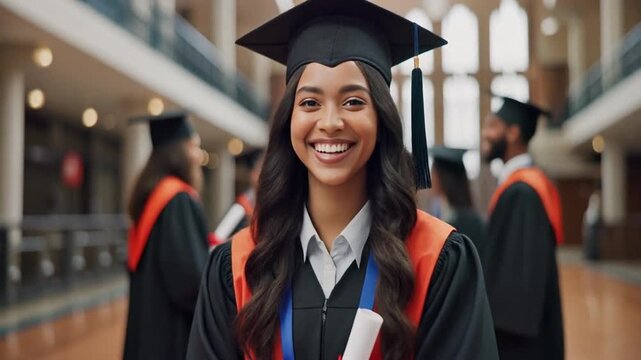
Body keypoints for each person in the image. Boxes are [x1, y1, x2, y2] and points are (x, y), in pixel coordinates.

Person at [187, 1, 498, 359]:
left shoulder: (438, 260)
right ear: (288, 119)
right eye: (309, 103)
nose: (331, 121)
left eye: (353, 102)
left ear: (381, 118)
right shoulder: (238, 266)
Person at [480, 96, 564, 359]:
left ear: (513, 133)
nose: (485, 134)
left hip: (520, 345)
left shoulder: (523, 193)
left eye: (493, 126)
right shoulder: (518, 187)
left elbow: (518, 288)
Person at [123, 111, 210, 360]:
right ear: (179, 152)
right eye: (194, 146)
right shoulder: (177, 199)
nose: (198, 155)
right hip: (171, 332)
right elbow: (190, 279)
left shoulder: (151, 195)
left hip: (149, 325)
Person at [430, 146, 485, 247]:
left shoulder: (470, 223)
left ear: (444, 177)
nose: (431, 179)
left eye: (433, 173)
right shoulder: (441, 212)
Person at [211, 149, 264, 245]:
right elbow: (215, 242)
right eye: (262, 169)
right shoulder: (240, 208)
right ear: (253, 174)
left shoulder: (262, 205)